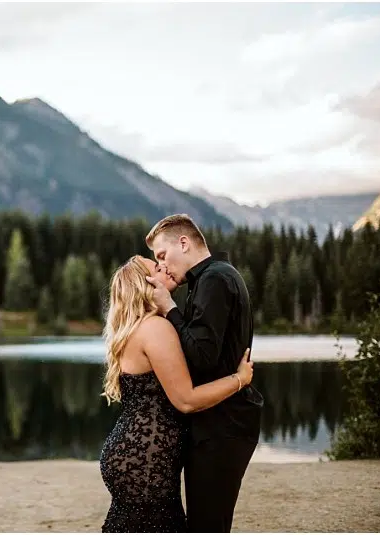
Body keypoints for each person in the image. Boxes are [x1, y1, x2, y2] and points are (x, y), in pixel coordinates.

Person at [99, 255, 254, 533]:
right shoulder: (156, 328)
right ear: (144, 284)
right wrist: (239, 379)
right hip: (147, 459)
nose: (164, 267)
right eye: (155, 268)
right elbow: (186, 400)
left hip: (131, 453)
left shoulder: (134, 328)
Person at [144, 213, 264, 533]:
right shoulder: (213, 277)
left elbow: (201, 358)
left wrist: (169, 308)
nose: (163, 266)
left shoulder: (214, 279)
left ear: (183, 242)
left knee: (207, 526)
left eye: (162, 256)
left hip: (222, 425)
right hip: (220, 422)